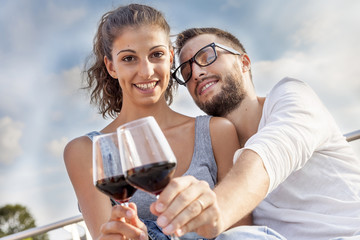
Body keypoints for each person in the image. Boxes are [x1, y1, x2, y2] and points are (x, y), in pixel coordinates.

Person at [149, 27, 360, 240]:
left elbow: (271, 152)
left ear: (244, 63)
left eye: (207, 56)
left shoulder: (290, 95)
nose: (196, 73)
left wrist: (216, 210)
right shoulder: (215, 150)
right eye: (186, 72)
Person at [63, 6, 248, 240]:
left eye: (156, 55)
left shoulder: (217, 132)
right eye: (129, 58)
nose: (146, 71)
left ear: (171, 57)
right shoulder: (86, 151)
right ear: (111, 66)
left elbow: (243, 232)